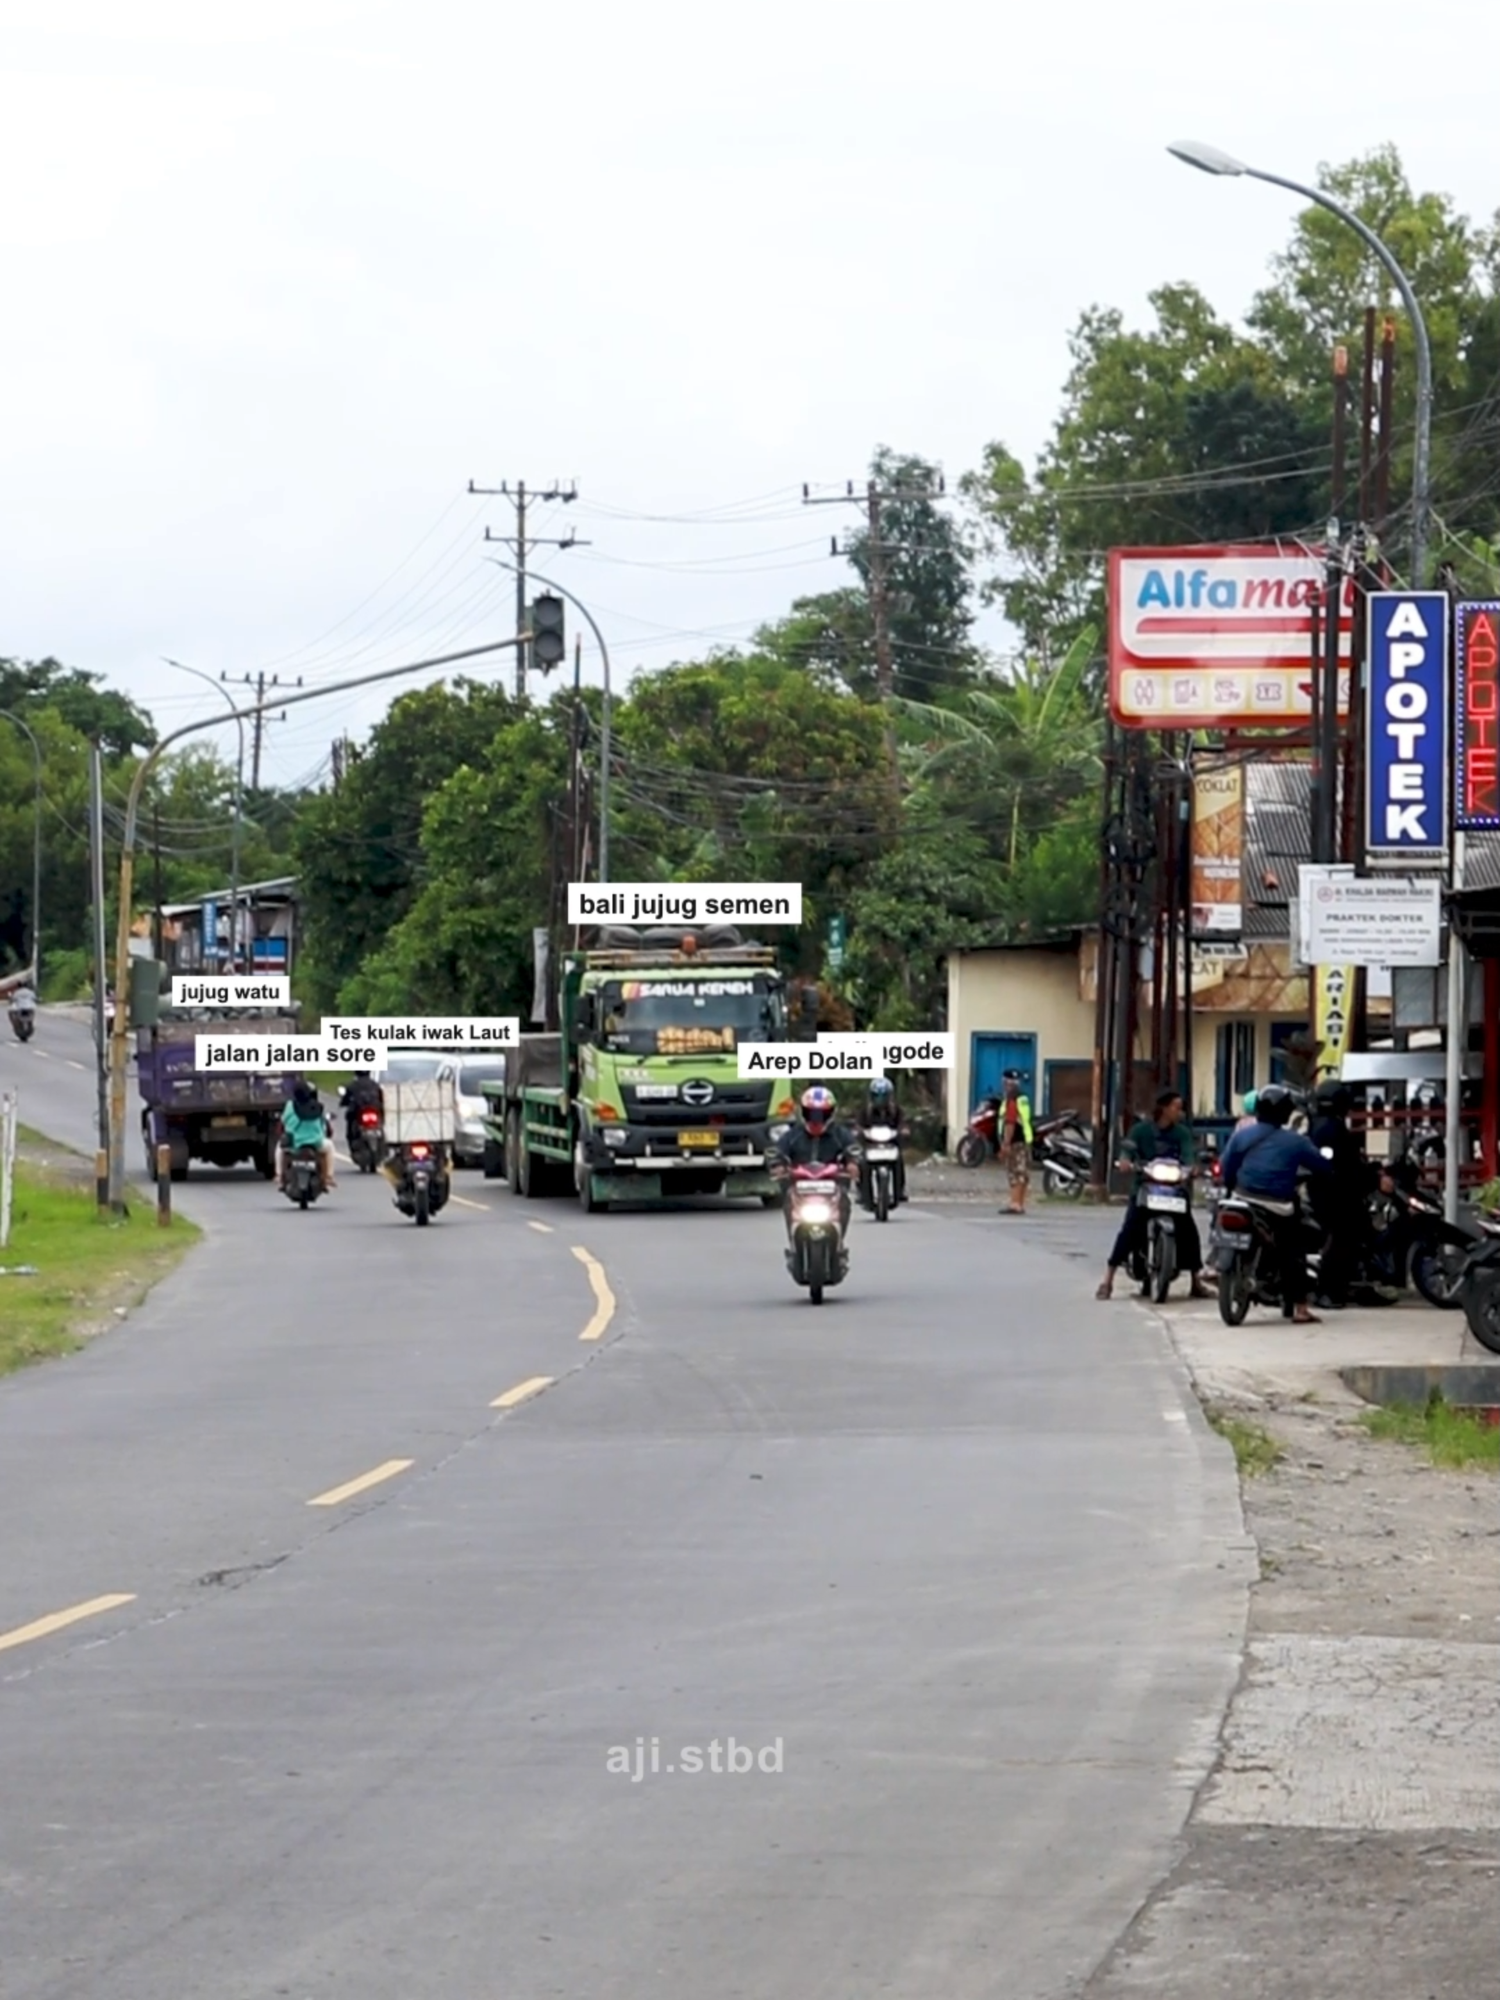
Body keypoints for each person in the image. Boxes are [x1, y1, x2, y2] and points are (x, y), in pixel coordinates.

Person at [1217, 1083, 1331, 1324]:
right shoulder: (1295, 1141)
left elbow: (1227, 1167)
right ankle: (1300, 1308)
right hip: (1277, 1205)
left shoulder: (1241, 1136)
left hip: (1240, 1198)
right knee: (1294, 1250)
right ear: (1285, 1113)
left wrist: (1232, 1187)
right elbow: (1322, 1166)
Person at [1096, 1088, 1210, 1300]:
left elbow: (1188, 1155)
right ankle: (1107, 1280)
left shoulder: (1182, 1133)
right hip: (1145, 1186)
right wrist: (1125, 1161)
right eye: (1176, 1107)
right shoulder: (1141, 1130)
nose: (1180, 1112)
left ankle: (1196, 1281)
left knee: (1188, 1229)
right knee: (1130, 1229)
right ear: (1164, 1108)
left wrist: (1192, 1167)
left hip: (1174, 1189)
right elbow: (1128, 1149)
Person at [1307, 1079, 1372, 1310]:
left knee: (1344, 1240)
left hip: (1331, 1191)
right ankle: (1326, 1290)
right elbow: (1339, 1163)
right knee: (1339, 1241)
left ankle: (1344, 1286)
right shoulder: (1329, 1129)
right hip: (1334, 1194)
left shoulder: (1323, 1124)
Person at [769, 1086, 860, 1239]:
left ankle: (839, 1242)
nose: (816, 1119)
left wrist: (852, 1163)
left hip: (831, 1187)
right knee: (788, 1201)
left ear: (831, 1114)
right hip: (799, 1188)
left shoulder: (840, 1134)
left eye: (822, 1114)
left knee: (844, 1201)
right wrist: (777, 1165)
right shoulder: (793, 1135)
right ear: (803, 1113)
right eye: (811, 1114)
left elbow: (853, 1149)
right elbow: (778, 1152)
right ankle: (794, 1241)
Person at [854, 1075, 907, 1209]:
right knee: (862, 1163)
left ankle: (900, 1191)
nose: (880, 1100)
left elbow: (902, 1124)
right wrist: (859, 1132)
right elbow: (858, 1125)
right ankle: (862, 1192)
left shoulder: (896, 1111)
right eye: (877, 1096)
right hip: (870, 1145)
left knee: (899, 1161)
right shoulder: (865, 1111)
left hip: (890, 1145)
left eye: (884, 1096)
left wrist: (903, 1130)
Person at [278, 1078, 335, 1193]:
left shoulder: (290, 1106)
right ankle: (328, 1177)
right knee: (329, 1148)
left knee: (280, 1149)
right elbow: (324, 1125)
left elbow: (283, 1122)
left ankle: (280, 1176)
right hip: (316, 1143)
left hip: (295, 1143)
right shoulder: (318, 1107)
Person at [995, 1069, 1034, 1217]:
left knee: (1015, 1172)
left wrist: (1006, 1143)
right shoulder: (1023, 1097)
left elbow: (1010, 1122)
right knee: (1023, 1173)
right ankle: (1020, 1203)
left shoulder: (1012, 1099)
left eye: (1004, 1082)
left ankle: (1015, 1203)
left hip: (1015, 1141)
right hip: (1025, 1139)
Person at [342, 1068, 384, 1141]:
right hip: (368, 1113)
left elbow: (346, 1099)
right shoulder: (375, 1085)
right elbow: (381, 1099)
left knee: (350, 1117)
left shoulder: (353, 1085)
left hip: (363, 1113)